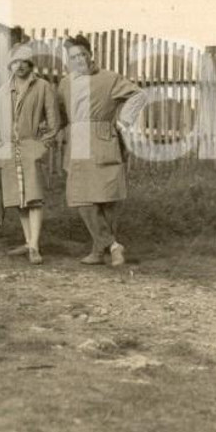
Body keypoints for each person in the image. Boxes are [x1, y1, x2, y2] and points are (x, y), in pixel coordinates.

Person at [57, 34, 146, 266]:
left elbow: (138, 95)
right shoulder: (65, 83)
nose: (79, 60)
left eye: (82, 55)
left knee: (106, 198)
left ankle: (98, 253)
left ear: (90, 55)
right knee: (80, 197)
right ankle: (113, 246)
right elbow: (60, 113)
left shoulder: (109, 78)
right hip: (77, 142)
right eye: (73, 57)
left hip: (102, 139)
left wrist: (123, 121)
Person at [0, 42, 60, 264]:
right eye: (15, 62)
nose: (20, 66)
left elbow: (54, 122)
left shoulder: (42, 87)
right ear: (10, 65)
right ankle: (29, 242)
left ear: (31, 64)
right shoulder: (4, 91)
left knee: (34, 198)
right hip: (9, 149)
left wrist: (41, 147)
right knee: (18, 200)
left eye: (24, 62)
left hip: (31, 148)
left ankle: (35, 246)